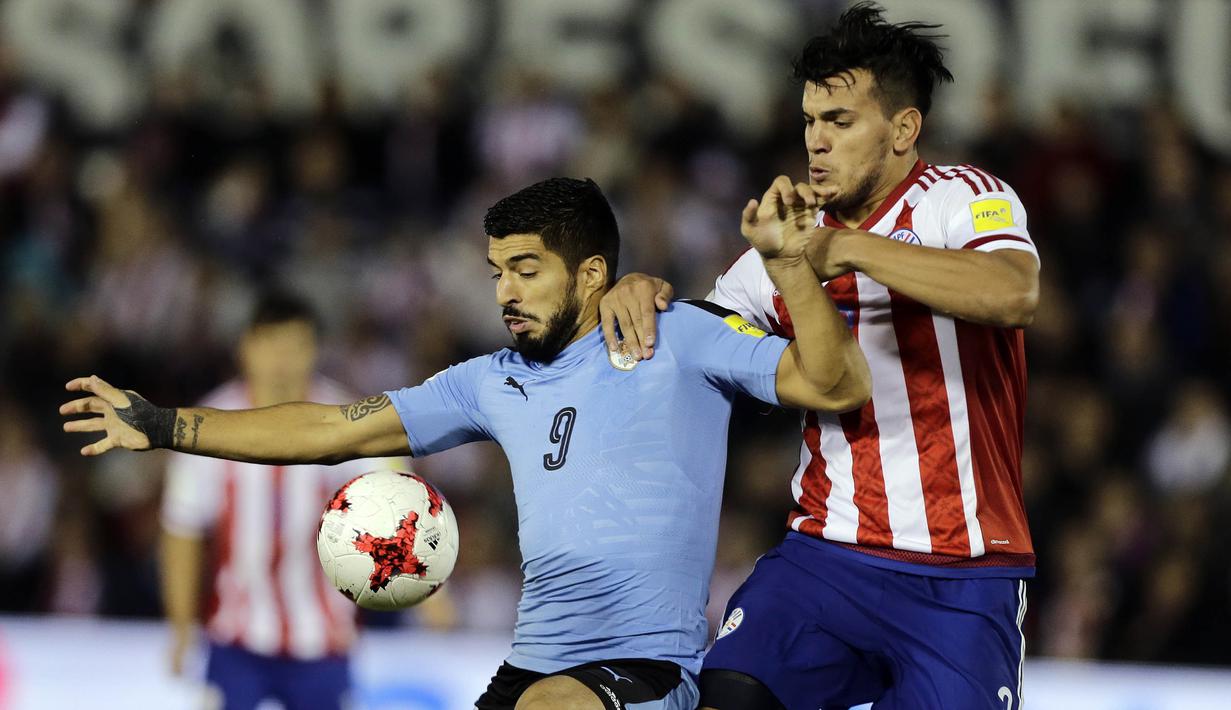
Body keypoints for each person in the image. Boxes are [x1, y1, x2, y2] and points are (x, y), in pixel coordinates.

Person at [62, 177, 871, 710]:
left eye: (525, 269)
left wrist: (792, 267)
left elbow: (834, 384)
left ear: (591, 274)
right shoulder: (490, 380)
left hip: (646, 670)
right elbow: (330, 430)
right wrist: (165, 424)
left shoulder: (679, 337)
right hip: (529, 669)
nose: (505, 292)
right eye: (495, 272)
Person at [600, 4, 1041, 709]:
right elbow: (689, 343)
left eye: (839, 121)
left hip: (964, 574)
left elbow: (1013, 292)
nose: (816, 142)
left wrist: (844, 249)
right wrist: (643, 292)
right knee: (728, 695)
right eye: (810, 121)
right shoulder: (779, 251)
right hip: (826, 558)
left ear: (902, 130)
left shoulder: (961, 199)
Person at [160, 290, 399, 710]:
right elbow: (182, 531)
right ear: (246, 348)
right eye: (271, 344)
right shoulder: (210, 426)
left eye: (295, 346)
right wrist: (181, 627)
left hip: (323, 640)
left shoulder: (348, 421)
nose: (281, 359)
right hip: (237, 637)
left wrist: (432, 590)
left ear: (315, 351)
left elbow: (400, 503)